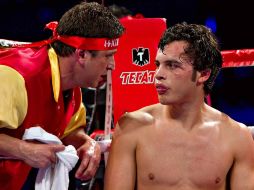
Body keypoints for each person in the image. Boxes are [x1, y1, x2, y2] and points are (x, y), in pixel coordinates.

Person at [104, 22, 254, 190]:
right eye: (157, 64)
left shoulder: (237, 137)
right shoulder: (131, 127)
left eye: (172, 65)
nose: (158, 75)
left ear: (203, 74)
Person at [0, 2, 124, 190]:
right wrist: (25, 150)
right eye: (108, 56)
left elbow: (71, 132)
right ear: (82, 54)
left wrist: (87, 144)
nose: (112, 65)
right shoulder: (16, 76)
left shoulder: (71, 86)